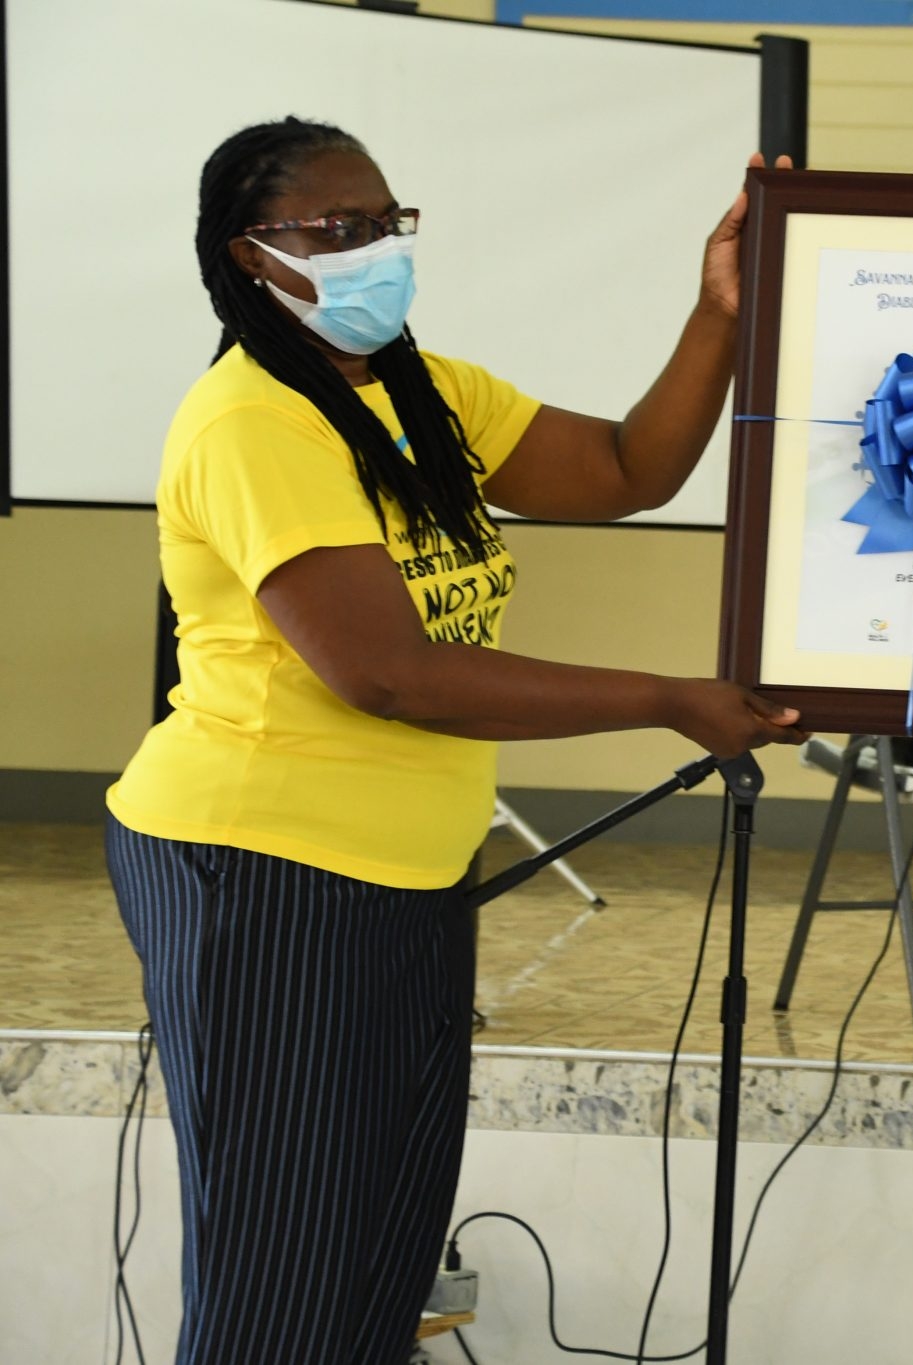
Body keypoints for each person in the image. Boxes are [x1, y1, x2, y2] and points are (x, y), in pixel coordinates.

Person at [102, 117, 804, 1365]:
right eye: (337, 230)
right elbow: (386, 673)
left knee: (380, 1259)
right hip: (262, 876)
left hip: (408, 876)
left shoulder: (424, 395)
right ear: (249, 256)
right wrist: (665, 697)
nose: (374, 249)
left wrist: (724, 314)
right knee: (285, 1269)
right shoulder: (252, 421)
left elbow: (630, 466)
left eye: (386, 223)